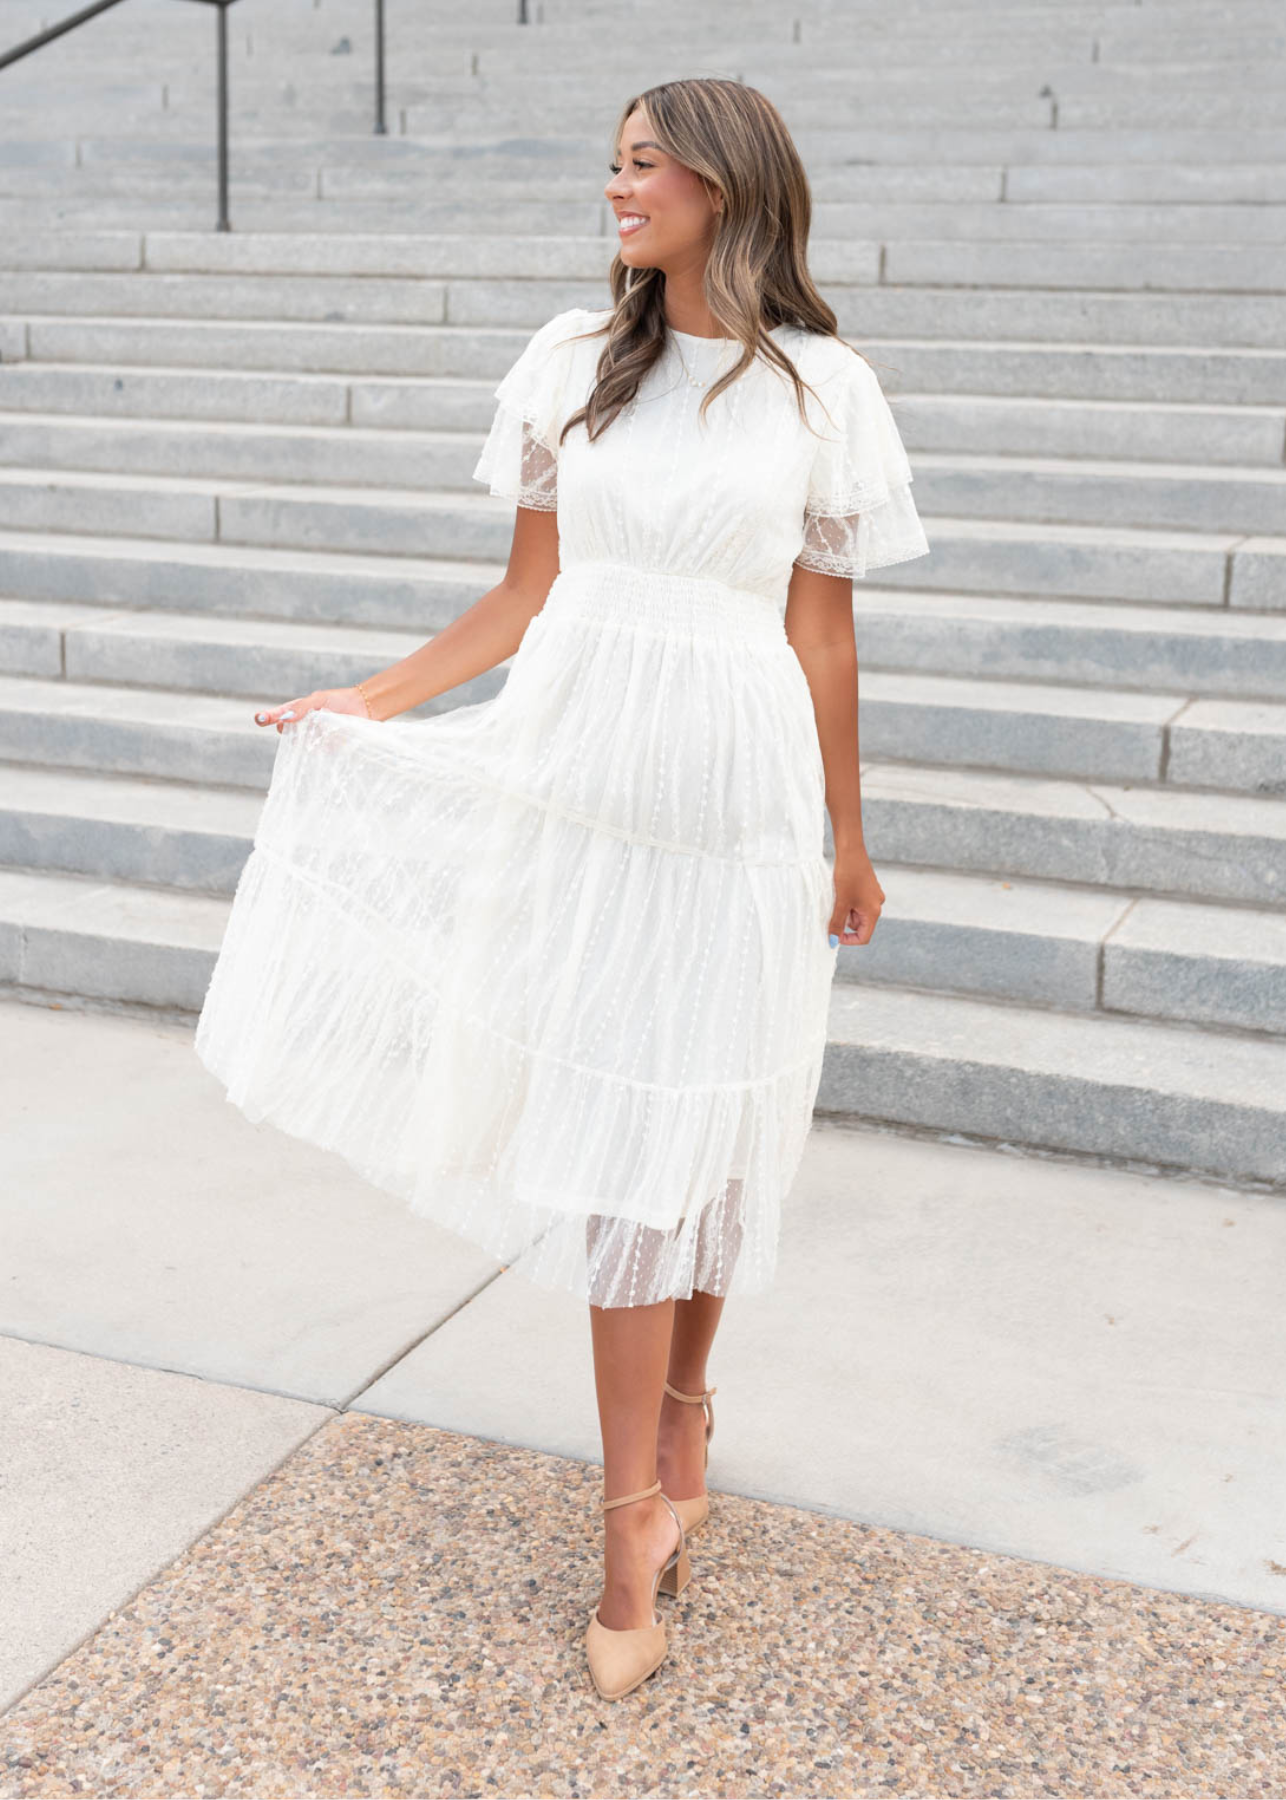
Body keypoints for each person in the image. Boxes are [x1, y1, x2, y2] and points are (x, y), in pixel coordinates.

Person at [194, 75, 930, 1702]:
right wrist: (369, 702)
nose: (617, 189)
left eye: (645, 165)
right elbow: (522, 597)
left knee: (715, 1118)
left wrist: (846, 834)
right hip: (578, 784)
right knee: (618, 1150)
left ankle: (685, 1415)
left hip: (734, 800)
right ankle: (624, 1539)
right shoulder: (575, 367)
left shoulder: (821, 390)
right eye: (610, 165)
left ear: (727, 188)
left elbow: (821, 631)